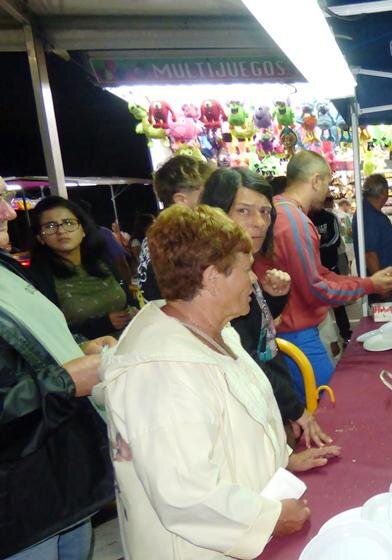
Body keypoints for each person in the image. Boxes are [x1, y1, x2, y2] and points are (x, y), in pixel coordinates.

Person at [100, 205, 339, 560]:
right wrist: (270, 517)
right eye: (245, 271)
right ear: (212, 278)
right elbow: (185, 495)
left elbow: (232, 428)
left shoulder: (215, 332)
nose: (253, 281)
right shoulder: (162, 370)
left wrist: (280, 461)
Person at [1, 178, 115, 560]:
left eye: (5, 198)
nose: (8, 212)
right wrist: (65, 381)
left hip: (60, 476)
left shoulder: (6, 267)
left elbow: (24, 351)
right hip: (19, 503)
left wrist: (74, 347)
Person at [200, 167, 330, 448]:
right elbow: (247, 357)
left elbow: (256, 331)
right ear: (216, 211)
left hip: (267, 406)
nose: (259, 222)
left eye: (264, 212)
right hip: (247, 421)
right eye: (243, 211)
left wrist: (273, 298)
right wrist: (295, 409)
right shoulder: (215, 277)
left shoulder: (245, 263)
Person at [257, 151, 392, 395]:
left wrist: (367, 281)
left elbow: (319, 273)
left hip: (287, 329)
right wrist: (371, 285)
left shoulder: (281, 212)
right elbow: (317, 288)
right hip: (295, 334)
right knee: (328, 403)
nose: (327, 192)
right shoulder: (294, 221)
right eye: (327, 183)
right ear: (315, 181)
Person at [29, 196, 138, 340]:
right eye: (50, 226)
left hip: (129, 344)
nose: (61, 231)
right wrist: (102, 324)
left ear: (83, 230)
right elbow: (47, 333)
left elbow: (128, 299)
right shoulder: (39, 278)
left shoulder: (102, 261)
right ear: (40, 238)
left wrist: (134, 310)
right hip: (85, 356)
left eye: (68, 223)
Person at [133, 154, 213, 302]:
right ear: (181, 200)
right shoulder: (178, 243)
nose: (214, 200)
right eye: (207, 194)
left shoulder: (157, 234)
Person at [352, 173, 392, 303]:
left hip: (387, 279)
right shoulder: (369, 216)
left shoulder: (368, 212)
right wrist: (382, 286)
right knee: (389, 320)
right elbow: (370, 253)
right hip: (384, 282)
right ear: (383, 192)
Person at [308, 196, 352, 342]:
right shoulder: (306, 218)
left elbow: (335, 239)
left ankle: (346, 334)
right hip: (313, 271)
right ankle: (323, 340)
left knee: (338, 304)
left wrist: (318, 246)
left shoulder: (329, 217)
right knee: (316, 307)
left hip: (331, 268)